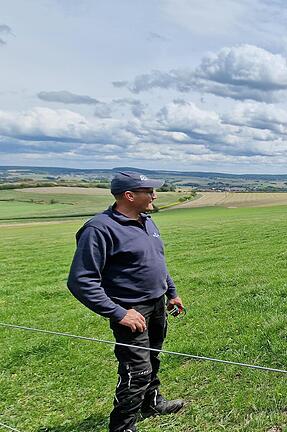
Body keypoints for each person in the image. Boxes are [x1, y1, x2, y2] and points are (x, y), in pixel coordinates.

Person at [67, 171, 186, 432]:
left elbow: (157, 262)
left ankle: (151, 404)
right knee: (137, 371)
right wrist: (119, 313)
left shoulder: (147, 222)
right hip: (131, 311)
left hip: (156, 306)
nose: (154, 195)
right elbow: (80, 280)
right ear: (129, 196)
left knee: (153, 358)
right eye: (149, 191)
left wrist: (171, 292)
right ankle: (122, 427)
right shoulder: (99, 229)